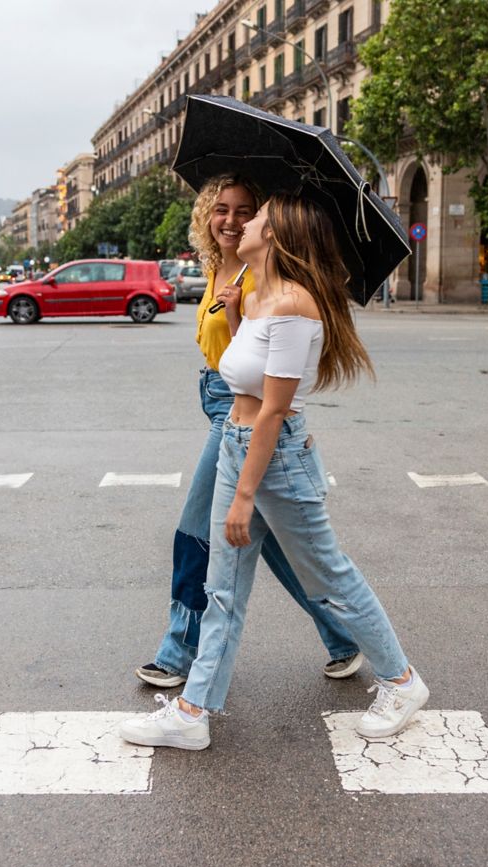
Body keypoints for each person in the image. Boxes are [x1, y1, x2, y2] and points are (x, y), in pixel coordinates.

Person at [120, 193, 428, 751]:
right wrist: (237, 310)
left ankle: (402, 682)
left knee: (330, 577)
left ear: (278, 234)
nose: (246, 222)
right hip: (242, 445)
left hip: (276, 458)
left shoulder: (293, 305)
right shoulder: (261, 297)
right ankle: (193, 712)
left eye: (257, 216)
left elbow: (274, 407)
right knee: (223, 588)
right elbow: (243, 373)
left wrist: (242, 498)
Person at [134, 174, 365, 691]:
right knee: (276, 541)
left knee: (196, 529)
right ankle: (343, 635)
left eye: (245, 211)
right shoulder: (218, 268)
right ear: (205, 216)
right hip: (217, 394)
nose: (232, 220)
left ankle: (178, 651)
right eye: (221, 209)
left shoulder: (266, 277)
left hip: (242, 412)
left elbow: (270, 375)